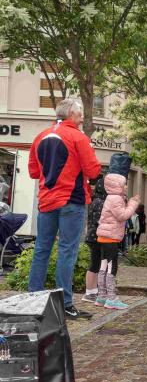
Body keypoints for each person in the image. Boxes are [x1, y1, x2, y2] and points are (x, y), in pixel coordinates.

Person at [28, 98, 101, 320]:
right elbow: (93, 171)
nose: (82, 116)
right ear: (70, 114)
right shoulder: (78, 137)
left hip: (46, 201)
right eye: (79, 112)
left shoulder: (40, 136)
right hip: (72, 200)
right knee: (67, 251)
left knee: (42, 249)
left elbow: (33, 172)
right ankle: (65, 304)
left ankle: (34, 300)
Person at [95, 174, 140, 309]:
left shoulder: (111, 197)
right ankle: (112, 299)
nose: (126, 186)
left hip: (105, 237)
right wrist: (133, 204)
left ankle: (102, 296)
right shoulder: (115, 199)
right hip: (110, 237)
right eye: (124, 184)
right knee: (111, 267)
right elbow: (122, 216)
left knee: (103, 266)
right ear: (117, 185)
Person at [82, 176, 107, 306]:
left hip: (93, 236)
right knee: (95, 264)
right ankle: (90, 292)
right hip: (96, 237)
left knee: (95, 264)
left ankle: (92, 291)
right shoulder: (100, 202)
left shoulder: (95, 200)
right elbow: (99, 220)